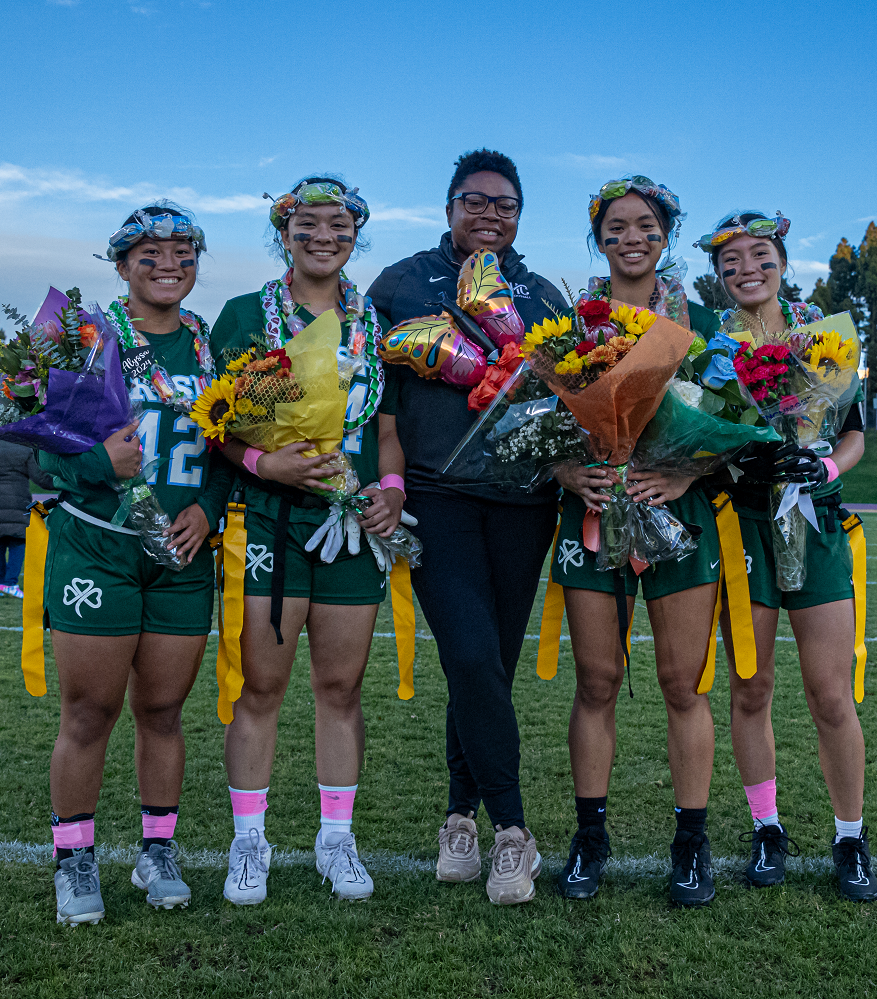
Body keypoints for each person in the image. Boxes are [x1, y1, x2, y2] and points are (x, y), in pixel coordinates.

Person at [366, 149, 564, 905]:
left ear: (519, 217)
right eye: (475, 202)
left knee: (490, 667)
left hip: (523, 501)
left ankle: (458, 817)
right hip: (434, 497)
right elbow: (373, 397)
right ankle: (513, 831)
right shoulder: (401, 283)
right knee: (471, 653)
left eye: (505, 206)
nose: (490, 215)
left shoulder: (542, 294)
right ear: (449, 207)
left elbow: (569, 396)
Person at [208, 176, 404, 904]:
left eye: (341, 224)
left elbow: (386, 429)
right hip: (270, 519)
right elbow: (217, 424)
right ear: (283, 230)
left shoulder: (373, 317)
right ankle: (249, 843)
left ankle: (336, 840)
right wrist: (266, 461)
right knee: (262, 686)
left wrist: (391, 491)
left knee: (341, 686)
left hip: (351, 520)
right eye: (309, 224)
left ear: (357, 232)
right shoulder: (244, 314)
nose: (326, 236)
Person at [42, 202, 232, 926]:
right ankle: (75, 857)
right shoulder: (84, 336)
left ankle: (157, 848)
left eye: (183, 252)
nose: (168, 264)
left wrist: (209, 507)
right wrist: (96, 461)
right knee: (90, 711)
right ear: (120, 263)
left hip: (180, 553)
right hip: (99, 544)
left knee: (163, 709)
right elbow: (32, 446)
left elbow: (229, 449)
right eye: (148, 253)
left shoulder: (207, 342)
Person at [548, 177, 724, 906]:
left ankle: (691, 841)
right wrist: (567, 468)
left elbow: (731, 415)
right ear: (598, 237)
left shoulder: (701, 316)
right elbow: (540, 415)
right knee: (596, 682)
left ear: (666, 234)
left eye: (645, 225)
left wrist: (686, 474)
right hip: (592, 509)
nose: (630, 237)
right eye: (614, 226)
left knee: (683, 683)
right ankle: (591, 836)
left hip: (678, 514)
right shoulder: (568, 324)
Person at [694, 210, 877, 902]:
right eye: (731, 259)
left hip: (817, 519)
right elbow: (701, 429)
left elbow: (855, 431)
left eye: (760, 253)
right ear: (718, 273)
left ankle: (851, 835)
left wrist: (829, 469)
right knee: (752, 686)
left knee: (831, 692)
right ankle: (766, 828)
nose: (747, 267)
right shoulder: (712, 346)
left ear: (781, 257)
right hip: (744, 522)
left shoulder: (822, 333)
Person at [0, 438, 55, 598]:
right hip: (16, 503)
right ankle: (10, 583)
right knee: (18, 542)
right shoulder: (24, 450)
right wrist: (64, 482)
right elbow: (40, 478)